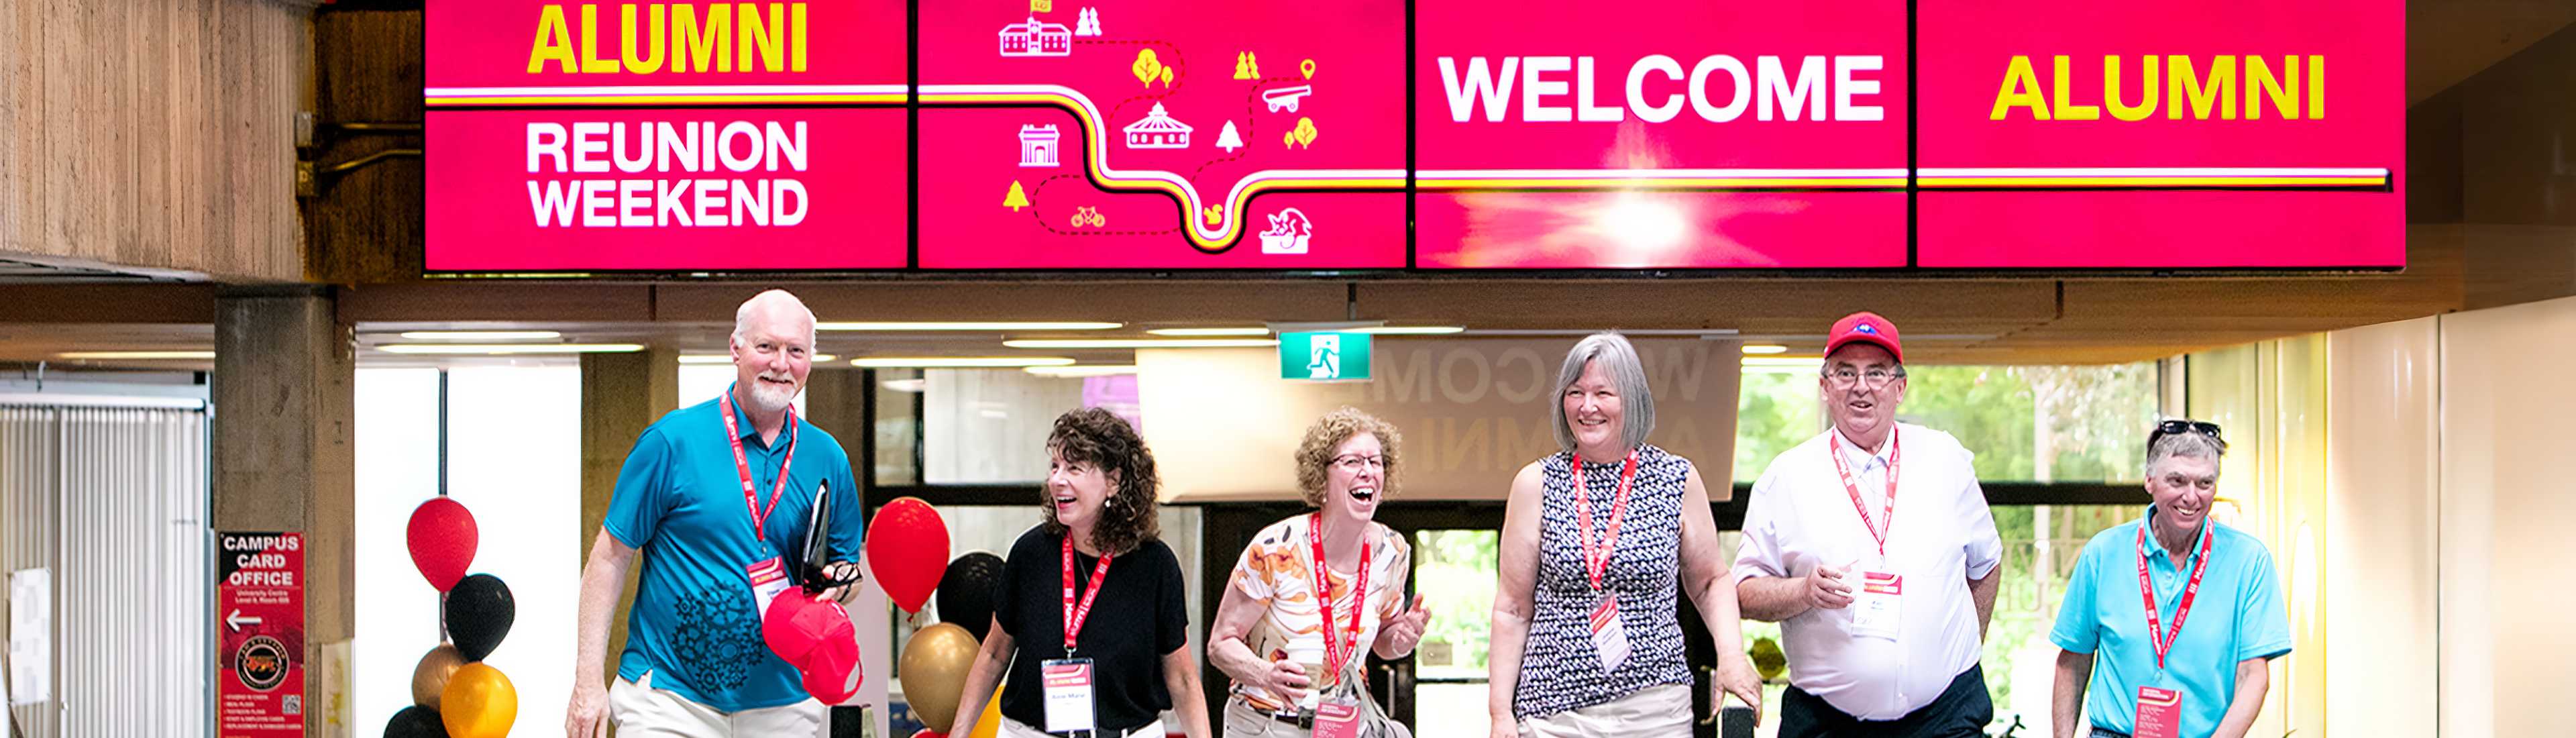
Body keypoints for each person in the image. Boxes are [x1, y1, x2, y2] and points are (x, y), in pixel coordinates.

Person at [564, 289, 865, 738]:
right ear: (736, 349)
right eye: (766, 347)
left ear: (810, 359)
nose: (781, 363)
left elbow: (847, 569)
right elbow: (609, 557)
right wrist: (587, 680)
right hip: (668, 699)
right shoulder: (672, 442)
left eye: (796, 351)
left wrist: (839, 585)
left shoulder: (827, 457)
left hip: (783, 704)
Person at [1733, 311, 2003, 738]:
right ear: (1825, 387)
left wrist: (1960, 652)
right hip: (1828, 722)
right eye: (1845, 373)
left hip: (1945, 719)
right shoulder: (1786, 476)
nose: (1861, 387)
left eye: (1876, 373)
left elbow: (1986, 564)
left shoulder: (1946, 460)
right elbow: (1744, 592)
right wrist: (1803, 591)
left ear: (1900, 388)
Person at [1489, 333, 1764, 738]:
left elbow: (1710, 581)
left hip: (1655, 707)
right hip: (1554, 711)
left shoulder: (1676, 478)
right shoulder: (1536, 483)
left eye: (1603, 392)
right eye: (1575, 392)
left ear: (1632, 399)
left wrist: (1732, 655)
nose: (1587, 406)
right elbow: (1512, 608)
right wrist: (1500, 713)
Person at [950, 407, 1213, 738]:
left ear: (1114, 482)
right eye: (1055, 466)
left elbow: (1182, 677)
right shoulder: (1030, 553)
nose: (1058, 479)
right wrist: (958, 734)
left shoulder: (1155, 565)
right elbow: (993, 653)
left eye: (1074, 468)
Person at [2049, 421, 2288, 738]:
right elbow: (2073, 662)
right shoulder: (2103, 554)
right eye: (2177, 481)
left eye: (2205, 483)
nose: (2191, 497)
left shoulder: (2248, 561)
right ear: (2149, 480)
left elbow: (2254, 677)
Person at [1209, 408, 1433, 738]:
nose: (1368, 471)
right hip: (1265, 726)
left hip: (1343, 725)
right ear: (1321, 476)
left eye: (1376, 461)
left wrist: (1401, 640)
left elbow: (1385, 642)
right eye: (1353, 461)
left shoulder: (1392, 552)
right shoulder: (1275, 548)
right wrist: (1267, 674)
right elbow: (1220, 644)